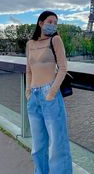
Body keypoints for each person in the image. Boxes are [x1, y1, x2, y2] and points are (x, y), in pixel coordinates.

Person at [26, 10, 72, 174]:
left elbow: (63, 68)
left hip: (49, 94)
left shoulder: (56, 40)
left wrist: (51, 92)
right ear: (41, 23)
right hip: (33, 96)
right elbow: (29, 69)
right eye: (50, 21)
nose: (52, 25)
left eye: (55, 23)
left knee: (57, 146)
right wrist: (28, 91)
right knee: (38, 146)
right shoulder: (30, 44)